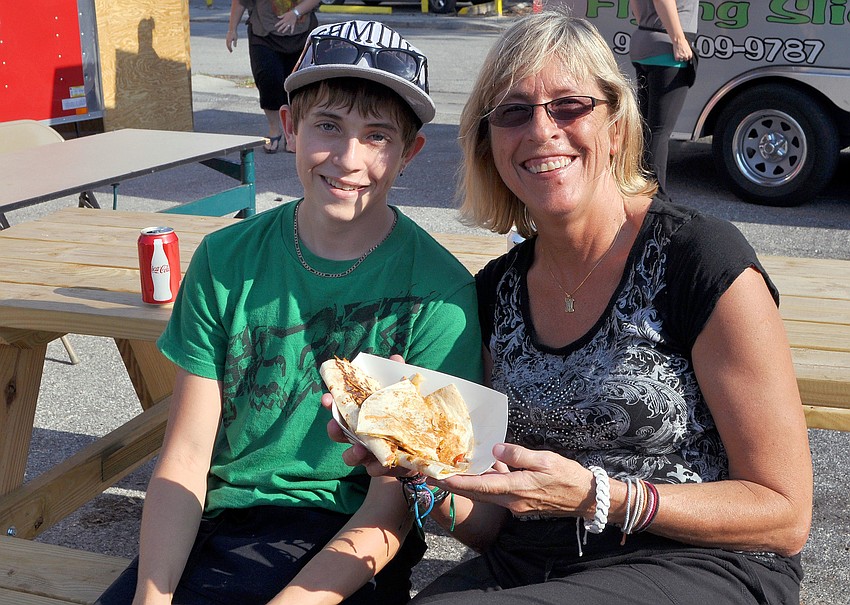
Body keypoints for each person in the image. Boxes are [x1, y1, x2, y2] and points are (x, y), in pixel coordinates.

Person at [328, 11, 813, 605]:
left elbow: (784, 513)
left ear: (616, 127)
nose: (542, 130)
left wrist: (597, 496)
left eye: (569, 106)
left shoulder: (697, 259)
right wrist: (416, 469)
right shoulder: (496, 293)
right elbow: (490, 524)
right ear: (488, 145)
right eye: (513, 112)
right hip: (534, 565)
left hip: (699, 563)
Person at [95, 19, 483, 605]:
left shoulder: (440, 293)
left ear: (409, 153)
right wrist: (153, 595)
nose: (348, 158)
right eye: (328, 126)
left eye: (378, 136)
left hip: (350, 538)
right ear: (289, 126)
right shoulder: (226, 260)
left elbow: (395, 505)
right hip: (223, 523)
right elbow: (188, 454)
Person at [226, 0, 322, 153]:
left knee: (298, 85)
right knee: (268, 80)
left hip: (301, 33)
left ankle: (293, 132)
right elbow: (240, 2)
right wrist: (232, 30)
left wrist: (295, 13)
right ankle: (274, 130)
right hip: (263, 33)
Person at [629, 0, 699, 202]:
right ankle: (656, 198)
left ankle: (639, 190)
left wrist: (648, 23)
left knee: (647, 127)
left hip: (644, 41)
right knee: (659, 130)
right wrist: (678, 39)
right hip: (666, 49)